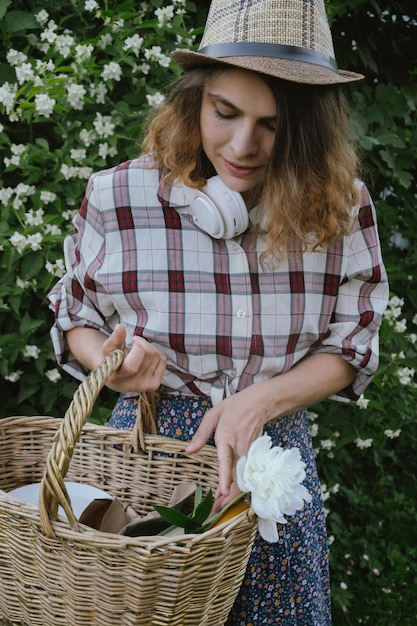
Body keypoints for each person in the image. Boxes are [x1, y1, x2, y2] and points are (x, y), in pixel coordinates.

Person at [47, 0, 389, 623]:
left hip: (272, 469)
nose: (243, 145)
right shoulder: (117, 195)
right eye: (224, 113)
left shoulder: (341, 206)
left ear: (307, 129)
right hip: (146, 463)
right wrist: (111, 361)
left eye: (273, 125)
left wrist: (262, 402)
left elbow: (354, 344)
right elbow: (75, 316)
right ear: (194, 100)